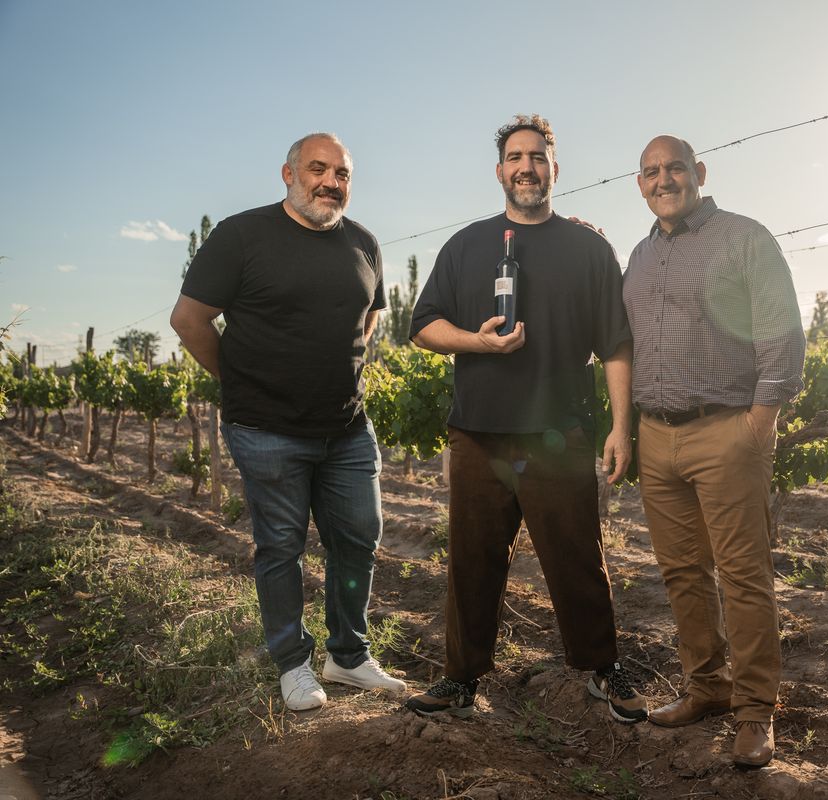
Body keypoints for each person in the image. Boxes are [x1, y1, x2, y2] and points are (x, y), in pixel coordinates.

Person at [404, 114, 646, 724]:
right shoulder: (465, 245)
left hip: (560, 433)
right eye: (515, 157)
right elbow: (423, 326)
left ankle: (600, 667)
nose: (526, 167)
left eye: (537, 157)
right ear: (500, 171)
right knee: (471, 559)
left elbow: (617, 343)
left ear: (554, 169)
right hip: (479, 431)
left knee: (577, 556)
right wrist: (476, 343)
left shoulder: (589, 248)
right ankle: (461, 679)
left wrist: (622, 426)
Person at [170, 132, 406, 712]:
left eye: (342, 174)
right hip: (266, 428)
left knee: (358, 538)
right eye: (317, 169)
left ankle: (347, 656)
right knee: (280, 546)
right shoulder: (241, 235)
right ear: (288, 173)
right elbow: (189, 318)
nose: (330, 182)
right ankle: (293, 664)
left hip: (348, 427)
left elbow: (366, 324)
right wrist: (239, 379)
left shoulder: (365, 243)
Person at [622, 135, 806, 767]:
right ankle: (707, 688)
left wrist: (762, 417)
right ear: (639, 183)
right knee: (681, 574)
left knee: (743, 574)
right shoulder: (640, 257)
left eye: (674, 168)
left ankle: (756, 712)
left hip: (727, 428)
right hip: (657, 435)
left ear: (698, 173)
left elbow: (780, 326)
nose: (663, 179)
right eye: (651, 172)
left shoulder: (743, 237)